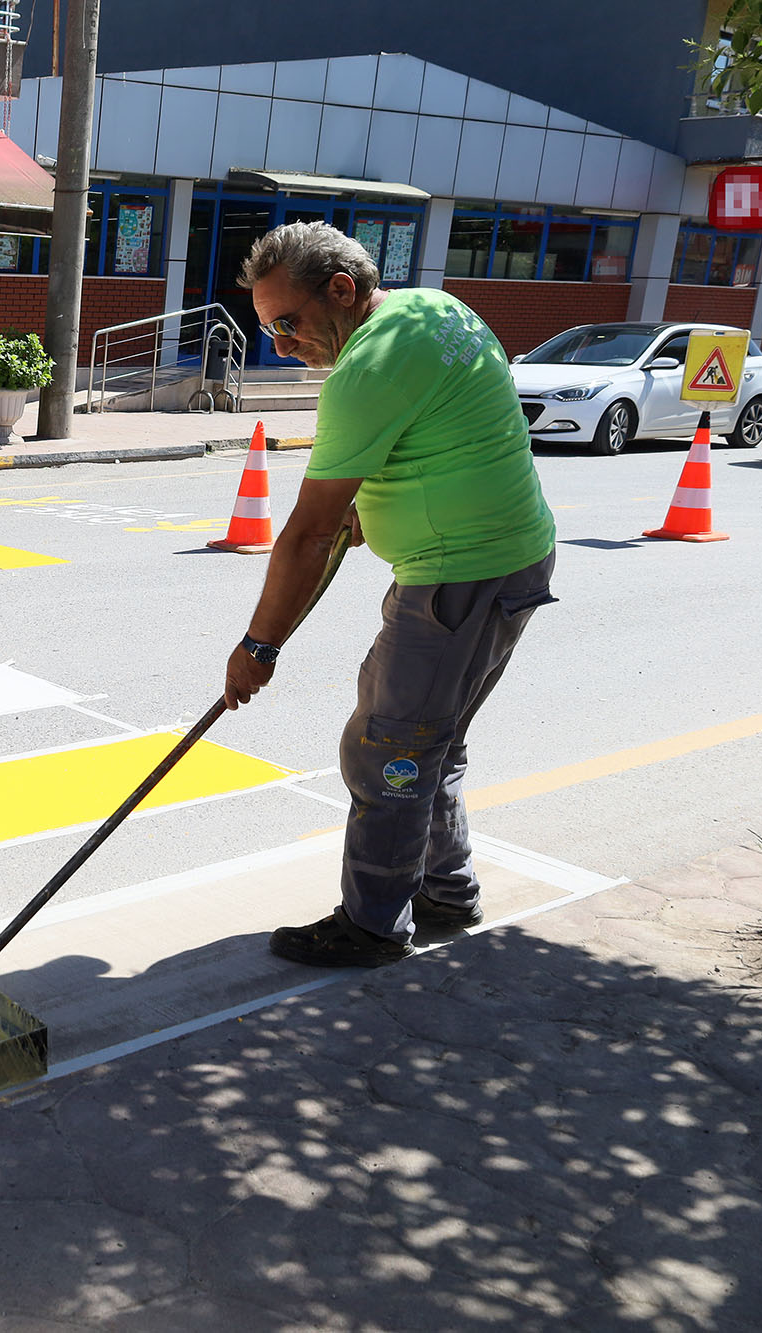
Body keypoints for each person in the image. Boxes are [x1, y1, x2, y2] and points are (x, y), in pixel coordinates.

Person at [224, 221, 557, 968]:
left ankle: (373, 924)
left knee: (389, 755)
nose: (281, 345)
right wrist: (371, 508)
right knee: (424, 741)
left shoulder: (364, 370)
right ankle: (446, 888)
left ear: (341, 290)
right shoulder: (436, 311)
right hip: (503, 565)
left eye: (289, 323)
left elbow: (309, 535)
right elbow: (446, 434)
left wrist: (258, 647)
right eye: (268, 329)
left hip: (460, 579)